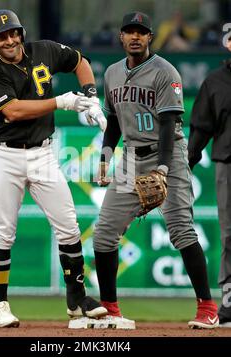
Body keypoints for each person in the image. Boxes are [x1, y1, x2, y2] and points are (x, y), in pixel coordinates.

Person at [0, 9, 107, 328]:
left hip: (42, 153)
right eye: (2, 36)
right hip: (5, 156)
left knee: (69, 225)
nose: (10, 40)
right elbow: (14, 111)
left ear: (21, 33)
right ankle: (0, 306)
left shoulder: (45, 50)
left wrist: (90, 96)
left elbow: (80, 62)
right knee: (3, 232)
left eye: (14, 33)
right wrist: (63, 102)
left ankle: (77, 300)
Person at [92, 11, 218, 329]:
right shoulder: (111, 73)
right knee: (104, 234)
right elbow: (114, 125)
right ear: (121, 37)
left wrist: (162, 168)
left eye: (141, 32)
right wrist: (105, 158)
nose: (135, 36)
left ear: (150, 37)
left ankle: (207, 307)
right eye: (129, 31)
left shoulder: (165, 72)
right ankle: (110, 309)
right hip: (131, 159)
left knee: (181, 230)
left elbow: (167, 126)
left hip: (169, 156)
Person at [188, 35, 231, 328]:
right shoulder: (215, 82)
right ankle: (229, 301)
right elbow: (201, 128)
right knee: (230, 234)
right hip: (228, 163)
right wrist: (183, 165)